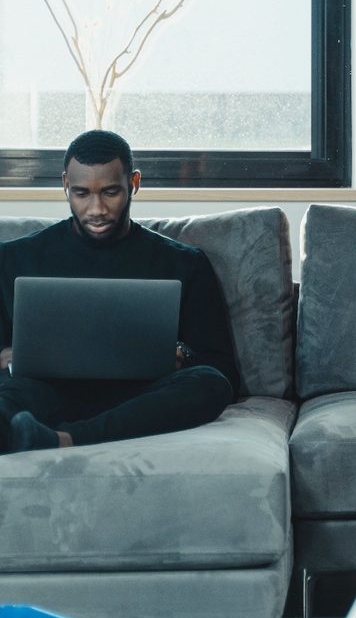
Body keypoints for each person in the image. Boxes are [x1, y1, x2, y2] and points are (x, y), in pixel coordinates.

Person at [0, 129, 239, 454]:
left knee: (210, 384)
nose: (96, 209)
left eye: (110, 192)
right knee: (9, 396)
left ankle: (65, 439)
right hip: (45, 393)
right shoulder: (14, 259)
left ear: (134, 183)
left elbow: (223, 370)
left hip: (138, 397)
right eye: (81, 193)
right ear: (65, 185)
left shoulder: (183, 263)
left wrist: (182, 354)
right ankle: (51, 435)